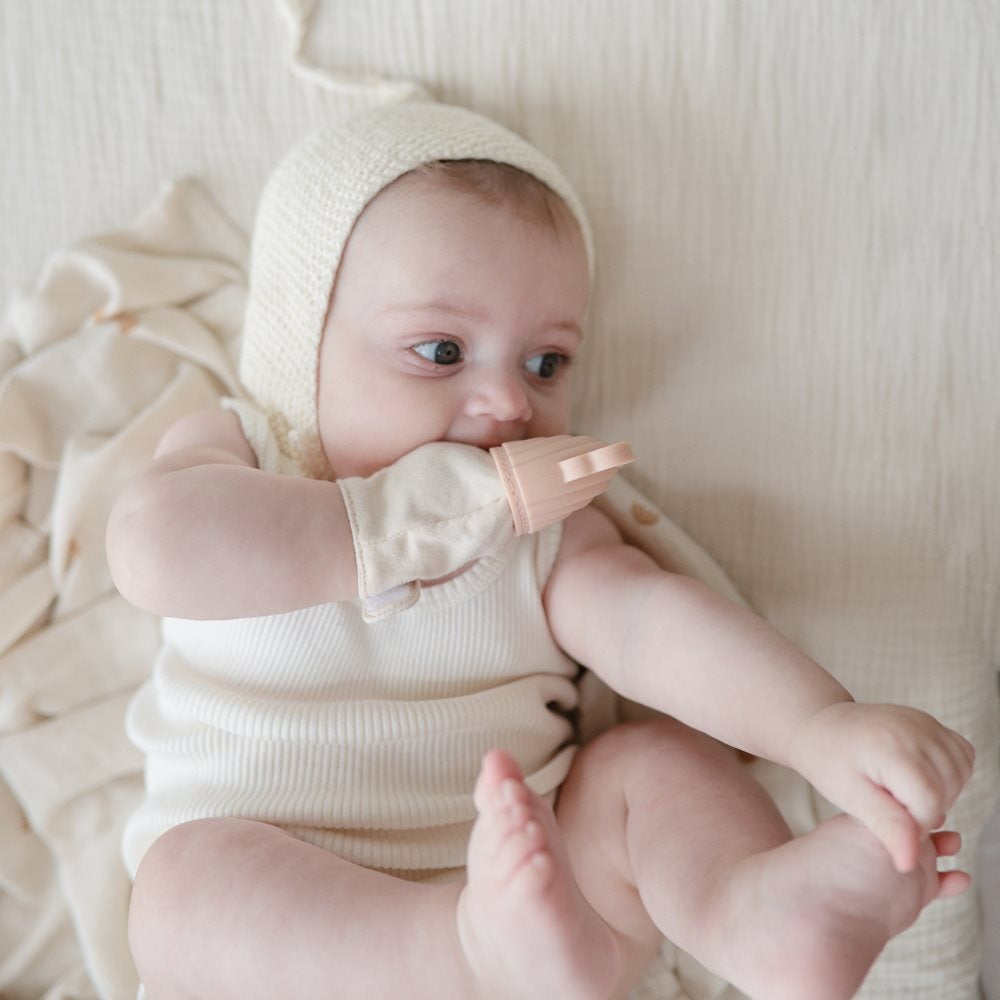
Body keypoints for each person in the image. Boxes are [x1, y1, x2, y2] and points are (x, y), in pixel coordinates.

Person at [107, 101, 974, 1000]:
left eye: (546, 363)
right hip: (286, 945)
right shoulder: (250, 457)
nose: (509, 405)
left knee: (651, 769)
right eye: (442, 350)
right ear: (301, 341)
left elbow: (653, 627)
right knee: (179, 888)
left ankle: (750, 911)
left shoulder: (543, 526)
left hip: (555, 934)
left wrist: (818, 727)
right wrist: (381, 526)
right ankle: (457, 952)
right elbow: (150, 549)